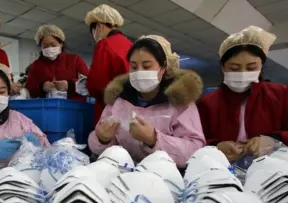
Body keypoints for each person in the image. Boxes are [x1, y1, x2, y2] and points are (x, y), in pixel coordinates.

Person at [197, 26, 288, 161]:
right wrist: (216, 147)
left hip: (273, 172)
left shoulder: (279, 95)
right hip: (223, 172)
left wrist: (274, 141)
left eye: (251, 68)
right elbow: (194, 141)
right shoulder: (207, 103)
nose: (243, 73)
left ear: (261, 67)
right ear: (222, 68)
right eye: (234, 68)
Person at [88, 35, 206, 168]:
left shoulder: (180, 103)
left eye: (147, 66)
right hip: (123, 176)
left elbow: (194, 149)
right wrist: (102, 139)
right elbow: (96, 142)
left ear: (163, 67)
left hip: (165, 178)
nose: (139, 72)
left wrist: (153, 139)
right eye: (133, 66)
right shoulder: (119, 101)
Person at [85, 4, 133, 125]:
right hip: (132, 106)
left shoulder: (104, 44)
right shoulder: (130, 44)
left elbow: (96, 85)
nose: (94, 37)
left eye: (93, 32)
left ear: (99, 26)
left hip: (110, 108)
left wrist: (85, 84)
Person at [25, 25, 89, 102]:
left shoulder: (75, 60)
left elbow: (89, 83)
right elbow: (29, 90)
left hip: (75, 108)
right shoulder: (36, 65)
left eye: (53, 45)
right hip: (48, 108)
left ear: (61, 44)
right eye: (45, 46)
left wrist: (71, 85)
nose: (49, 48)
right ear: (40, 47)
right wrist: (42, 87)